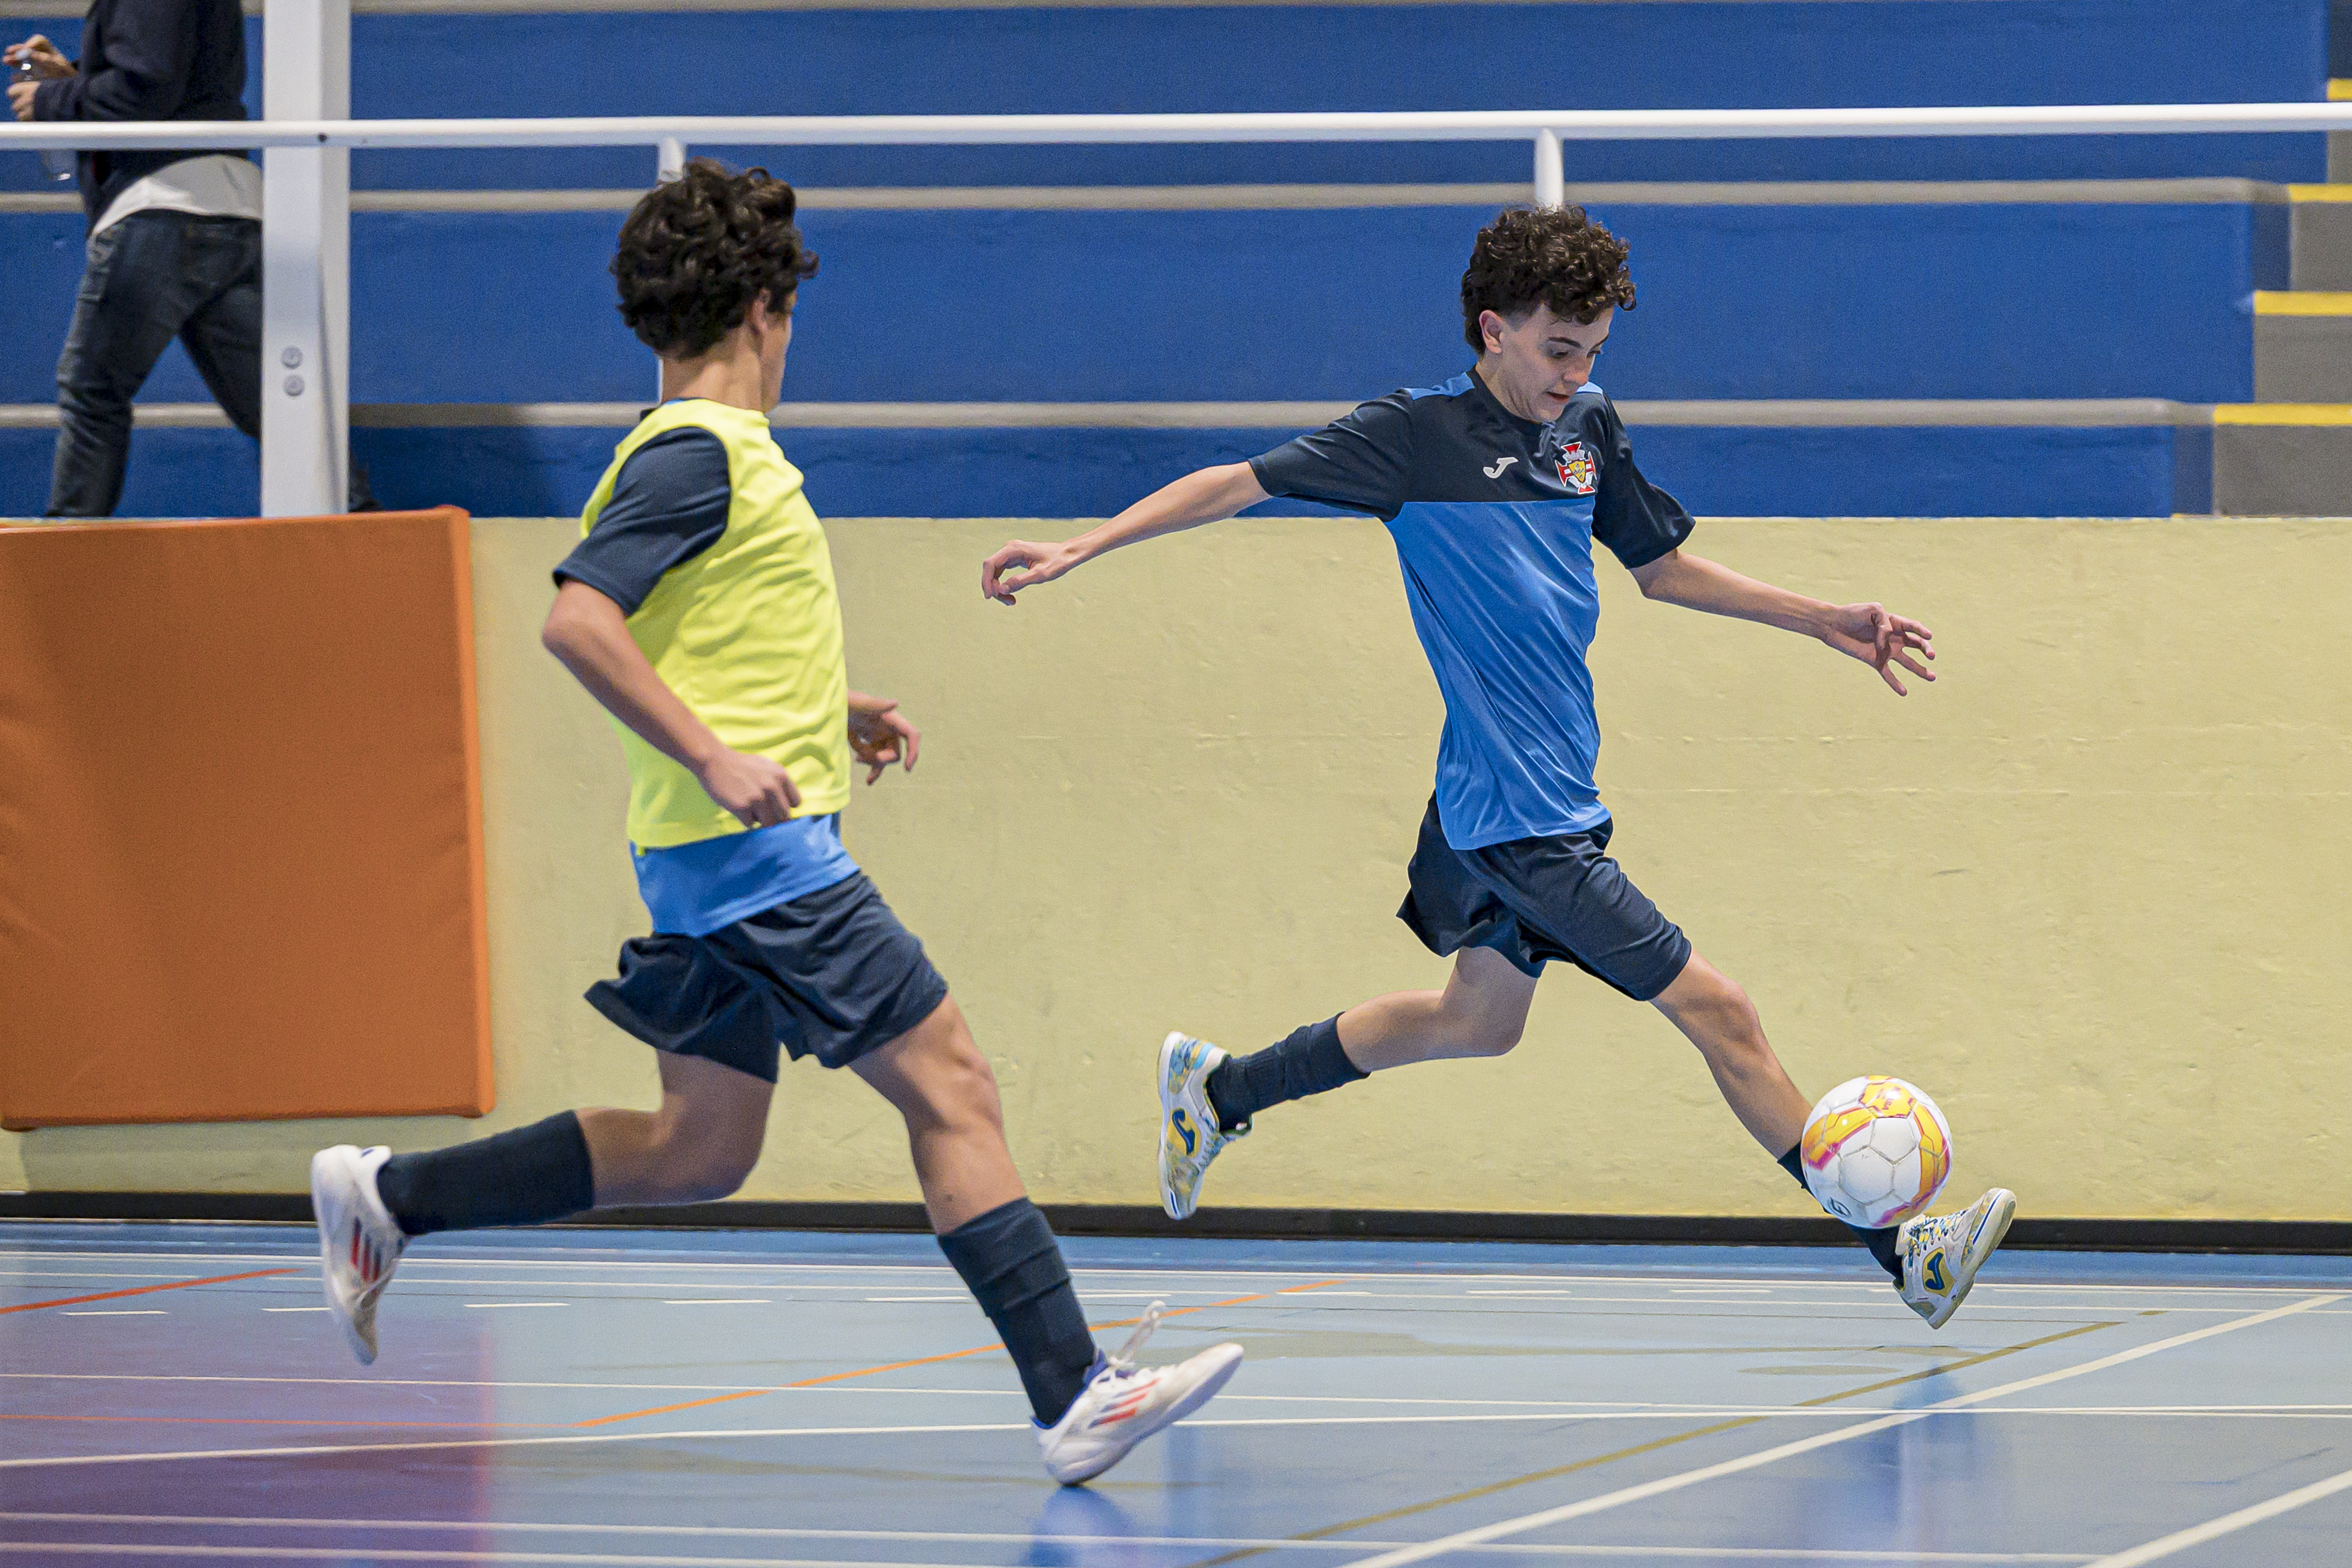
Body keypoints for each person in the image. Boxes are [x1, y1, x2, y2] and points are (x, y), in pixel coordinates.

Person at [309, 160, 1240, 1485]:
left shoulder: (705, 461)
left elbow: (701, 631)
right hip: (761, 865)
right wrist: (717, 751)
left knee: (701, 1149)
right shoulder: (698, 453)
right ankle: (1074, 1390)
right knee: (954, 1083)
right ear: (764, 310)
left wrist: (825, 707)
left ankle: (388, 1201)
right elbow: (579, 619)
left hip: (706, 864)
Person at [980, 205, 2016, 1329]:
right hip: (1521, 824)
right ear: (1493, 330)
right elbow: (1235, 482)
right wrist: (1080, 546)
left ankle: (1221, 1090)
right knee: (1723, 1012)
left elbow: (1660, 569)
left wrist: (1824, 619)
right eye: (1558, 350)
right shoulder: (1413, 436)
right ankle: (1902, 1252)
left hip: (1519, 797)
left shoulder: (1588, 428)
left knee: (1474, 1020)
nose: (1576, 374)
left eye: (1595, 353)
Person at [7, 2, 372, 516]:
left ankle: (70, 558)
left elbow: (148, 88)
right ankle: (362, 530)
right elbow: (173, 83)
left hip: (164, 205)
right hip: (227, 204)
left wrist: (53, 97)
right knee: (272, 404)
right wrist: (73, 81)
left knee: (92, 386)